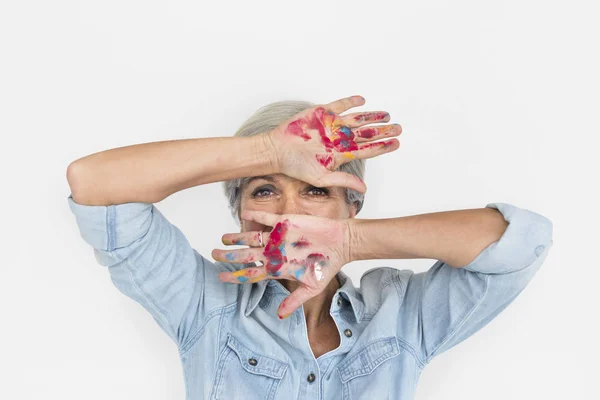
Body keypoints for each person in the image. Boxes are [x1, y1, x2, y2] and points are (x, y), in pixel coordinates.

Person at [66, 95, 553, 399]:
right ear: (241, 213)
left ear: (352, 207)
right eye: (264, 189)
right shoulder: (202, 303)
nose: (288, 210)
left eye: (316, 191)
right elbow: (93, 183)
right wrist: (267, 150)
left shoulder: (402, 314)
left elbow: (521, 241)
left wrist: (352, 244)